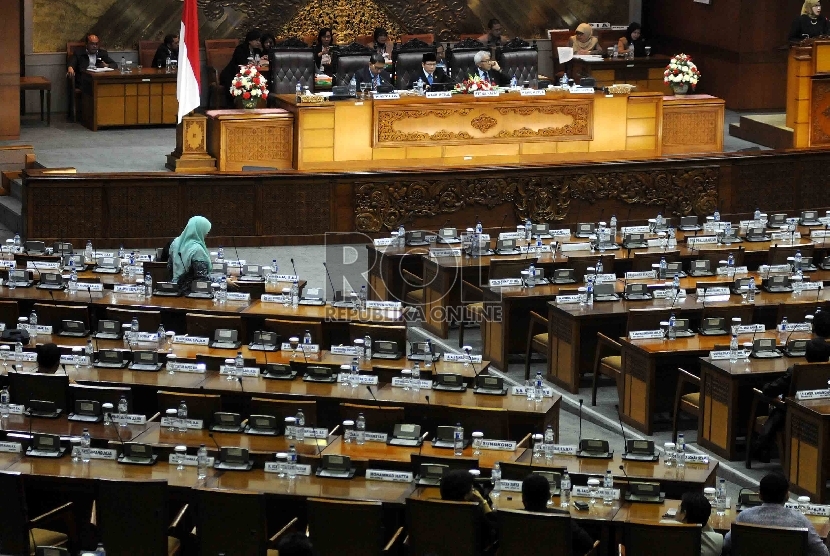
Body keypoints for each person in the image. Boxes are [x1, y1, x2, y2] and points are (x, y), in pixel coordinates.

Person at [753, 309, 830, 461]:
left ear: (806, 355)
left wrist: (763, 386)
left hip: (797, 413)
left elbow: (769, 390)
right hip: (821, 409)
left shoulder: (796, 371)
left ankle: (760, 448)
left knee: (779, 407)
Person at [723, 472, 829, 556]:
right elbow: (822, 553)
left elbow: (726, 545)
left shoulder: (744, 517)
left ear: (759, 495)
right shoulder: (800, 521)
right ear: (787, 496)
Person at [521, 474, 595, 556]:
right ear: (549, 496)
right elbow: (588, 544)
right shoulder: (562, 518)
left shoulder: (508, 518)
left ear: (523, 498)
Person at [439, 469, 497, 545]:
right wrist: (483, 502)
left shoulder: (435, 510)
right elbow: (494, 530)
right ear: (466, 495)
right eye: (472, 489)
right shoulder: (472, 512)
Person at [662, 492, 723, 556]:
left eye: (678, 508)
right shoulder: (717, 542)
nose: (676, 512)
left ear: (683, 514)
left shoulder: (667, 536)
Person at [167, 216, 212, 293]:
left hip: (174, 289)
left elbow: (169, 268)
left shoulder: (175, 243)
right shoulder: (197, 249)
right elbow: (201, 279)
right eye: (206, 231)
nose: (206, 234)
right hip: (192, 292)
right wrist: (222, 281)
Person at [220, 29, 263, 104]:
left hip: (248, 74)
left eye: (259, 40)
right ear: (249, 41)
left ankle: (252, 103)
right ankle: (234, 105)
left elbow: (259, 62)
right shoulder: (240, 49)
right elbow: (241, 62)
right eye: (256, 40)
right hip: (232, 73)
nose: (258, 43)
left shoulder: (257, 51)